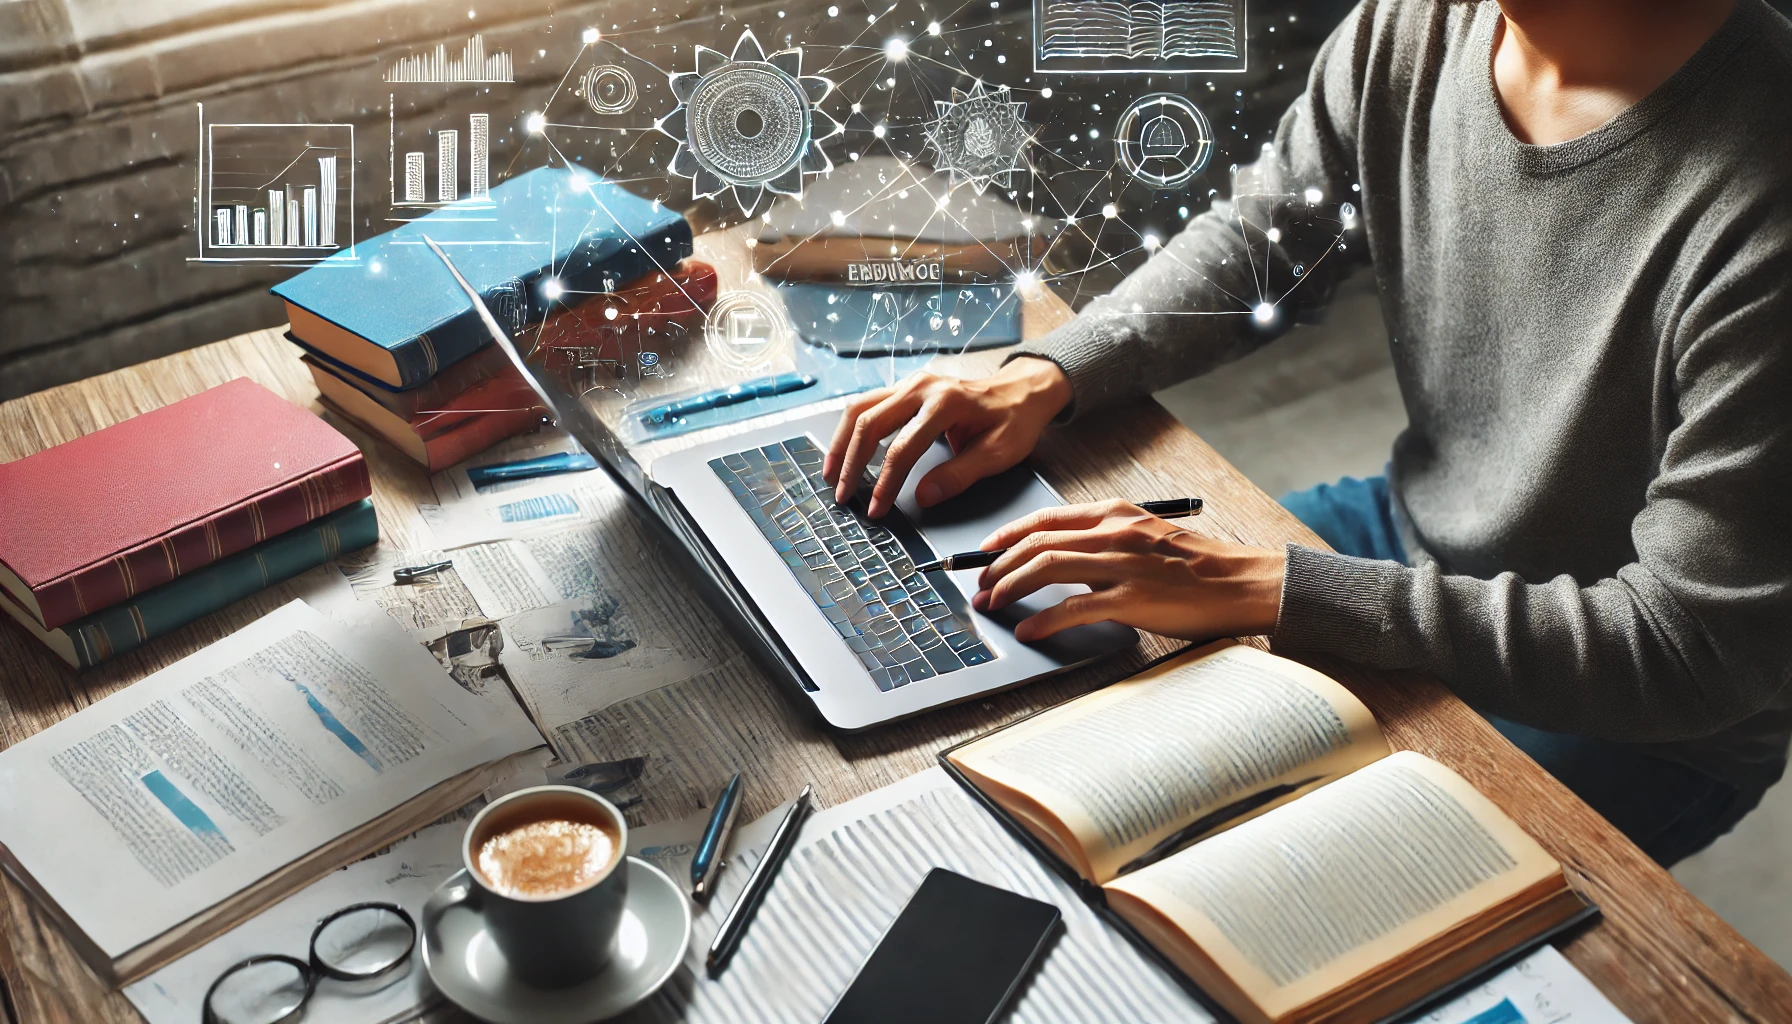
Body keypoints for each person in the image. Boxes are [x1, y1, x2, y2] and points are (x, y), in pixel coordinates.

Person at [823, 0, 1792, 867]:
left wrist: (1267, 586)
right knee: (1061, 687)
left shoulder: (1765, 196)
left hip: (1638, 714)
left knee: (1259, 887)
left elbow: (1692, 647)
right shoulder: (1414, 27)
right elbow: (1266, 239)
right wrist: (1052, 371)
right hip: (1408, 541)